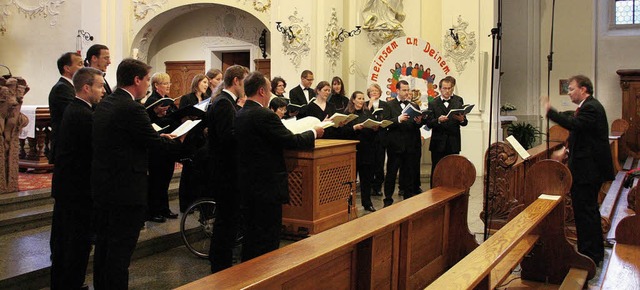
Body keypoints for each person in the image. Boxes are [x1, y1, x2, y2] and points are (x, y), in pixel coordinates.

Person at [91, 58, 183, 289]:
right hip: (126, 189)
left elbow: (127, 138)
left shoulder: (107, 102)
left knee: (105, 246)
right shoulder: (132, 107)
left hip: (104, 184)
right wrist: (180, 140)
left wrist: (158, 137)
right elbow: (154, 146)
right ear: (136, 80)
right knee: (121, 251)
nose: (147, 86)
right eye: (146, 81)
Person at [236, 71, 322, 262]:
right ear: (261, 91)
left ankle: (248, 275)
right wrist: (313, 133)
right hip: (266, 185)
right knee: (267, 238)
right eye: (269, 90)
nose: (271, 95)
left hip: (248, 183)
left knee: (252, 236)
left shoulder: (241, 112)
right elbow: (289, 140)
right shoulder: (264, 114)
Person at [543, 75, 613, 266]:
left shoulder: (590, 107)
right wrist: (565, 149)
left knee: (586, 212)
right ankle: (591, 251)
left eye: (571, 88)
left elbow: (574, 125)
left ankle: (589, 254)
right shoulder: (587, 107)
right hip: (587, 169)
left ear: (583, 89)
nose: (569, 92)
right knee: (586, 211)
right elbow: (581, 134)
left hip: (588, 171)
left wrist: (551, 111)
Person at [49, 67, 104, 290]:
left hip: (70, 189)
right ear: (86, 87)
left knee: (67, 242)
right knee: (75, 243)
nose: (103, 91)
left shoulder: (78, 110)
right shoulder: (83, 114)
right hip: (77, 192)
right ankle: (70, 284)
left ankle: (67, 282)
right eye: (99, 87)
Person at [206, 64, 248, 273]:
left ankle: (222, 261)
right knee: (226, 221)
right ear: (236, 81)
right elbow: (227, 137)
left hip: (227, 171)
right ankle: (220, 264)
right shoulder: (224, 103)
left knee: (229, 220)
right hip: (225, 172)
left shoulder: (226, 102)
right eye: (245, 81)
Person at [144, 72, 180, 222]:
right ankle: (154, 211)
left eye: (169, 83)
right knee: (157, 180)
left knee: (165, 179)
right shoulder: (152, 102)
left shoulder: (167, 101)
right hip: (157, 147)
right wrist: (160, 115)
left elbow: (172, 117)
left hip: (167, 145)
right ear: (156, 85)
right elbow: (149, 124)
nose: (168, 86)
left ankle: (164, 208)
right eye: (165, 83)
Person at [382, 80, 423, 207]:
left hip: (410, 145)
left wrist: (418, 121)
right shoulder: (389, 105)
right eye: (404, 90)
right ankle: (388, 199)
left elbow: (419, 124)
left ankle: (408, 198)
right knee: (391, 173)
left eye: (408, 90)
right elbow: (385, 122)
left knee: (409, 173)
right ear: (397, 91)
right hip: (395, 145)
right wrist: (398, 119)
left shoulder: (414, 105)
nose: (407, 92)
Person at [425, 76, 468, 189]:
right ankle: (434, 191)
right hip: (438, 142)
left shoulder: (458, 100)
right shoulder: (433, 103)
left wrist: (462, 119)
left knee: (453, 168)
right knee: (437, 168)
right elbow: (429, 123)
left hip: (453, 141)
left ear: (452, 88)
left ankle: (452, 191)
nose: (447, 91)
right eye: (445, 88)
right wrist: (438, 120)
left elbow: (464, 122)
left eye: (450, 88)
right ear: (440, 89)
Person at [176, 74, 210, 212]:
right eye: (204, 82)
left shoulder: (207, 99)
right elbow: (181, 116)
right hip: (190, 137)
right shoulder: (187, 98)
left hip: (202, 137)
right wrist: (191, 116)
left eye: (207, 82)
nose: (206, 85)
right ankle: (186, 204)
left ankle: (198, 202)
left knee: (199, 172)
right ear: (197, 83)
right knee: (188, 172)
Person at [344, 91, 378, 212]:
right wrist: (355, 127)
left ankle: (367, 203)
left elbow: (374, 126)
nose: (361, 100)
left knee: (366, 179)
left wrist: (375, 127)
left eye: (363, 98)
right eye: (359, 98)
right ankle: (349, 204)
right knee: (351, 179)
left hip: (367, 149)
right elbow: (344, 131)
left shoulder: (367, 112)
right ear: (353, 100)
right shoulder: (347, 113)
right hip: (353, 150)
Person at [48, 52, 84, 163]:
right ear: (67, 68)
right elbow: (73, 114)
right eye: (80, 64)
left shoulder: (70, 87)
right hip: (65, 144)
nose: (83, 68)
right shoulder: (62, 88)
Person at [365, 83, 390, 197]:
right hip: (369, 138)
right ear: (368, 93)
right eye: (372, 91)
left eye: (376, 91)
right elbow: (363, 117)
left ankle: (378, 187)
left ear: (380, 92)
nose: (374, 93)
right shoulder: (365, 104)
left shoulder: (386, 105)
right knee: (370, 163)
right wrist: (369, 105)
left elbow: (388, 118)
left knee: (380, 163)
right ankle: (369, 186)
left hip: (381, 136)